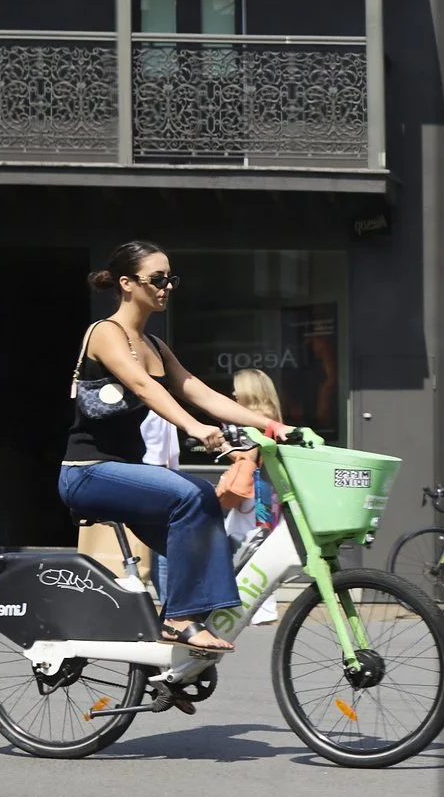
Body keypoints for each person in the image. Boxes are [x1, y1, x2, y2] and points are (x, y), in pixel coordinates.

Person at [62, 241, 290, 653]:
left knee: (203, 516)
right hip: (88, 471)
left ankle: (176, 658)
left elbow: (200, 392)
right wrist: (194, 427)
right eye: (157, 279)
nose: (166, 287)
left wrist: (269, 424)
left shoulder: (155, 345)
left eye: (171, 279)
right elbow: (142, 386)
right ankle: (178, 620)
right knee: (191, 494)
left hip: (127, 475)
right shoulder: (104, 333)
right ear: (127, 283)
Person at [229, 367, 291, 624]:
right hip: (268, 493)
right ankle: (260, 609)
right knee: (258, 548)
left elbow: (248, 457)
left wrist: (224, 446)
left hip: (252, 495)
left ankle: (258, 610)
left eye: (237, 389)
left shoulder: (253, 422)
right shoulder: (270, 419)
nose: (233, 394)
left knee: (244, 548)